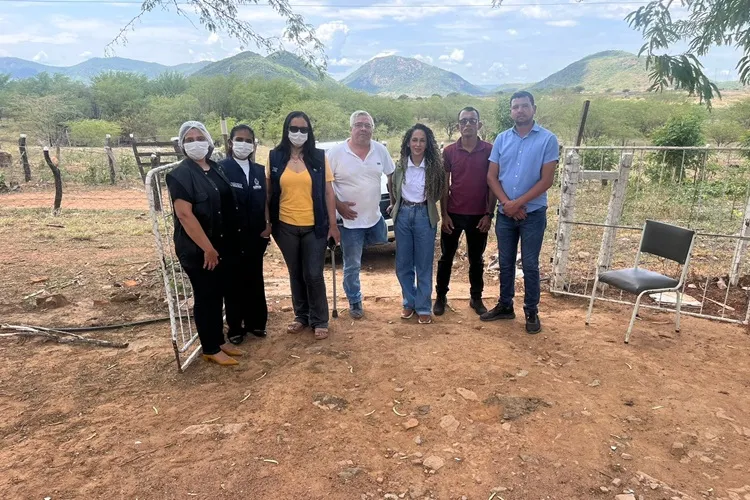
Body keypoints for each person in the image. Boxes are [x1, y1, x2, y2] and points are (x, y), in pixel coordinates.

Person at [165, 121, 243, 366]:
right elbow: (184, 215)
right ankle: (210, 348)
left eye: (199, 138)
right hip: (198, 248)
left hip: (220, 245)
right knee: (206, 295)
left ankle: (218, 341)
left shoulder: (215, 168)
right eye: (189, 140)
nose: (195, 143)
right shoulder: (180, 175)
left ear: (208, 141)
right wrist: (207, 248)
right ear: (182, 145)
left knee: (217, 293)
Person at [481, 91, 559, 334]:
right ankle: (505, 305)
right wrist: (508, 204)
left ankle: (531, 310)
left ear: (534, 108)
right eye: (515, 107)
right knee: (505, 262)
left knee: (530, 264)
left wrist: (518, 203)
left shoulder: (548, 139)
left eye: (524, 106)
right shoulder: (502, 139)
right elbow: (491, 177)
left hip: (532, 214)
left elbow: (546, 180)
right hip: (506, 214)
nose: (520, 110)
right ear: (511, 111)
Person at [266, 111, 340, 340]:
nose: (298, 133)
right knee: (296, 272)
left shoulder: (319, 157)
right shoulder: (274, 157)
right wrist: (267, 221)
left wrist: (333, 224)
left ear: (309, 132)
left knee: (313, 274)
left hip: (315, 226)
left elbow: (328, 192)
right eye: (294, 128)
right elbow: (269, 192)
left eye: (303, 129)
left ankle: (320, 319)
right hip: (285, 226)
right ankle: (301, 315)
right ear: (286, 130)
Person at [327, 110, 395, 319]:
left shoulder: (380, 150)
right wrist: (338, 205)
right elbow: (325, 186)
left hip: (375, 218)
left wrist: (393, 201)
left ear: (372, 129)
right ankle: (355, 301)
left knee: (383, 247)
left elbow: (391, 175)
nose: (363, 129)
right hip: (350, 222)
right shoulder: (335, 153)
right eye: (359, 125)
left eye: (367, 125)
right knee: (352, 265)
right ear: (351, 128)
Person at [434, 107, 496, 317]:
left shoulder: (489, 150)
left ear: (479, 124)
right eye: (463, 121)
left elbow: (493, 183)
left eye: (472, 120)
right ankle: (441, 297)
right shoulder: (449, 151)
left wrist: (489, 214)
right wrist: (444, 215)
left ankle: (476, 298)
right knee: (446, 258)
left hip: (479, 215)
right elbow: (444, 185)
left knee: (476, 259)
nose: (467, 124)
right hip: (453, 214)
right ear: (458, 125)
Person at [218, 124, 270, 344]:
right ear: (231, 143)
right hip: (231, 236)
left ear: (253, 145)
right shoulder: (221, 168)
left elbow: (264, 199)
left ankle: (256, 323)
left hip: (256, 235)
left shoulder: (258, 170)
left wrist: (267, 224)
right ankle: (235, 328)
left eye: (249, 141)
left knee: (254, 279)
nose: (244, 144)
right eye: (239, 140)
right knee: (233, 282)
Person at [390, 124, 446, 324]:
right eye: (414, 140)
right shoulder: (400, 165)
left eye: (422, 140)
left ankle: (423, 306)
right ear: (408, 142)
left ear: (428, 144)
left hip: (424, 215)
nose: (418, 144)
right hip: (403, 215)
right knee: (403, 263)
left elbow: (439, 191)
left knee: (423, 263)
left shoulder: (434, 168)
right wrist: (395, 204)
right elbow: (393, 186)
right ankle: (409, 302)